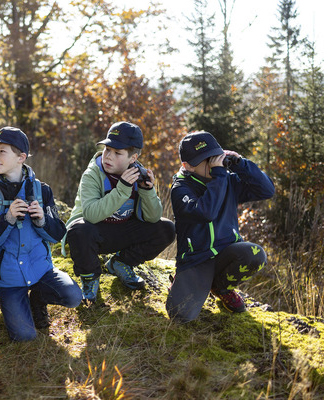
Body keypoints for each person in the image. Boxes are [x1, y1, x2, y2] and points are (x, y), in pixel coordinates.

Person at [0, 127, 81, 341]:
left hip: (41, 270)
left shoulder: (43, 190)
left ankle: (37, 300)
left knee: (73, 296)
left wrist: (43, 220)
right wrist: (7, 219)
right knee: (25, 336)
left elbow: (57, 234)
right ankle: (12, 305)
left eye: (2, 151)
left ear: (21, 157)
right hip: (9, 278)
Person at [166, 131, 275, 322]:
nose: (212, 163)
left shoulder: (227, 179)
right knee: (180, 315)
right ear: (188, 165)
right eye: (206, 160)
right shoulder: (181, 188)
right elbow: (205, 213)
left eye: (214, 156)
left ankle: (221, 288)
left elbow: (266, 190)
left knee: (255, 254)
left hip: (227, 252)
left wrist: (241, 164)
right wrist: (219, 176)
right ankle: (183, 281)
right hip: (197, 259)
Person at [65, 121, 175, 304]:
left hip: (123, 231)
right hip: (94, 233)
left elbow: (153, 217)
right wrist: (122, 188)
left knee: (167, 228)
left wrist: (147, 190)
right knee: (78, 231)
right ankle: (90, 278)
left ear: (133, 158)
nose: (108, 156)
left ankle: (121, 263)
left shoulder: (138, 175)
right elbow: (90, 215)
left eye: (117, 153)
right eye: (107, 149)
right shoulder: (92, 174)